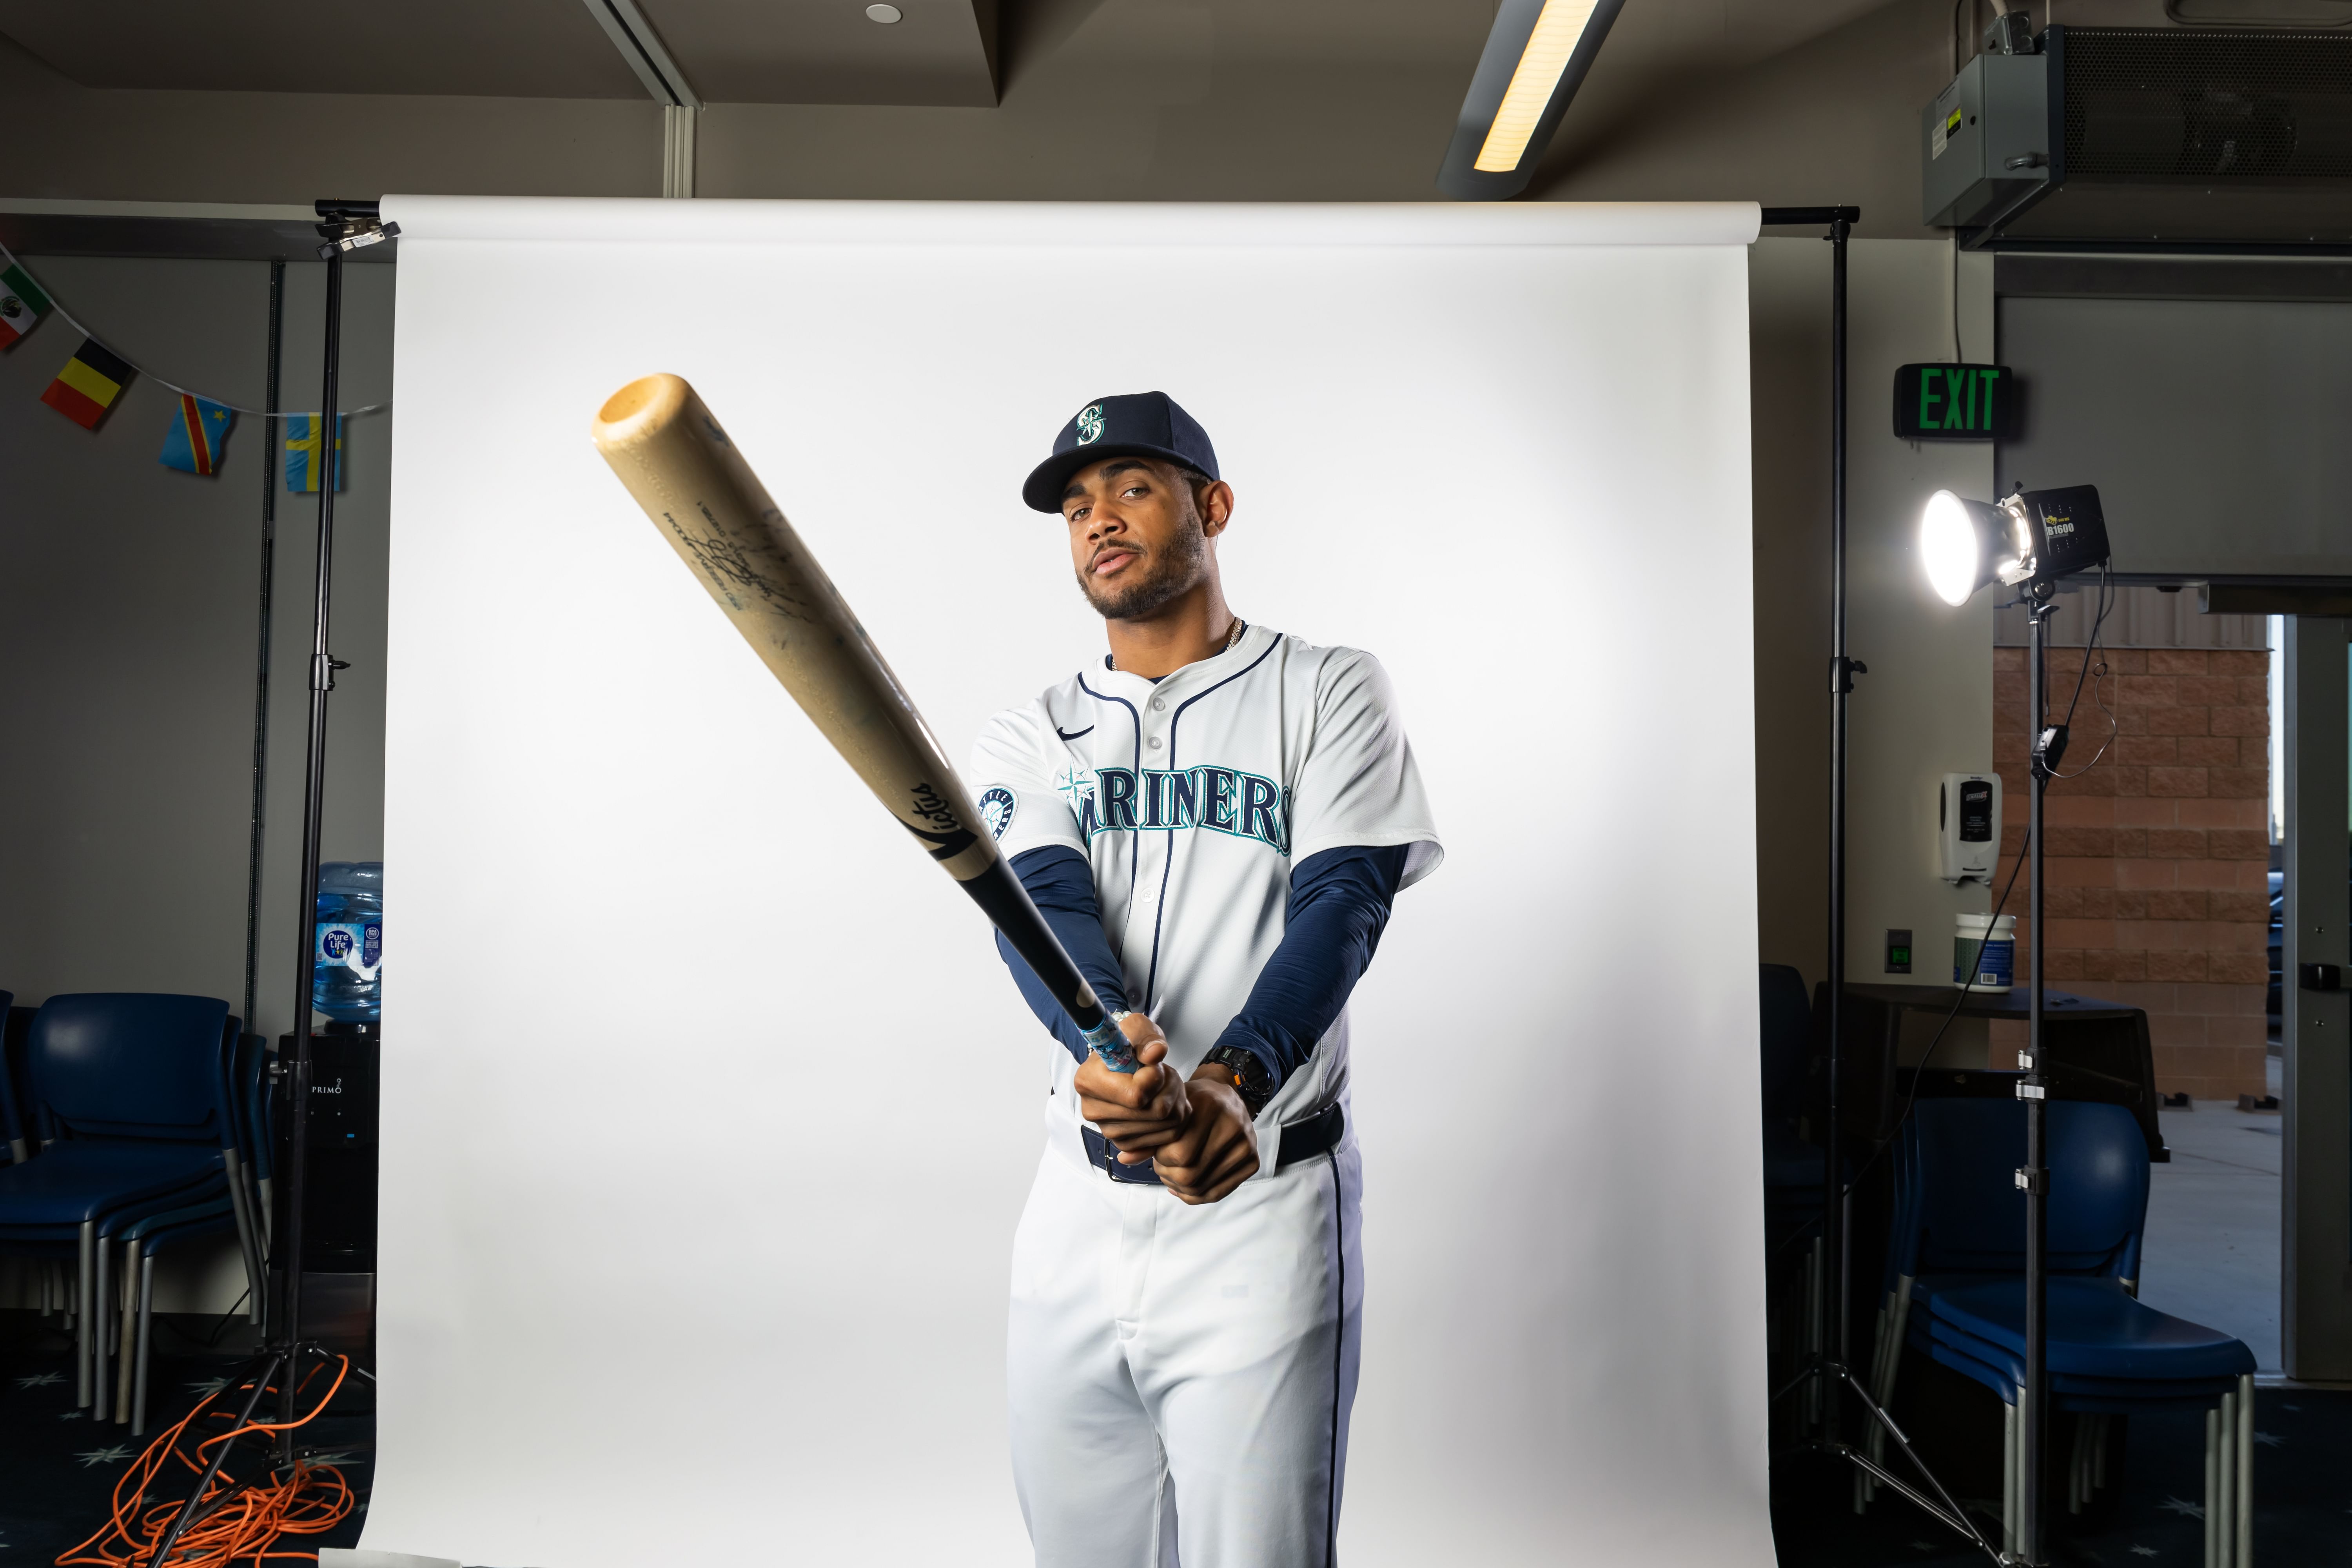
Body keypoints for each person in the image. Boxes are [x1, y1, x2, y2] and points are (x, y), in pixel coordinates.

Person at [966, 391, 1442, 1568]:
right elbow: (1042, 911)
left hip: (1263, 1211)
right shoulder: (1031, 731)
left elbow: (1342, 904)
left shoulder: (1329, 687)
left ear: (1212, 507)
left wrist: (1232, 1079)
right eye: (1076, 506)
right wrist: (1112, 1046)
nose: (1097, 521)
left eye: (1130, 487)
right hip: (1074, 1215)